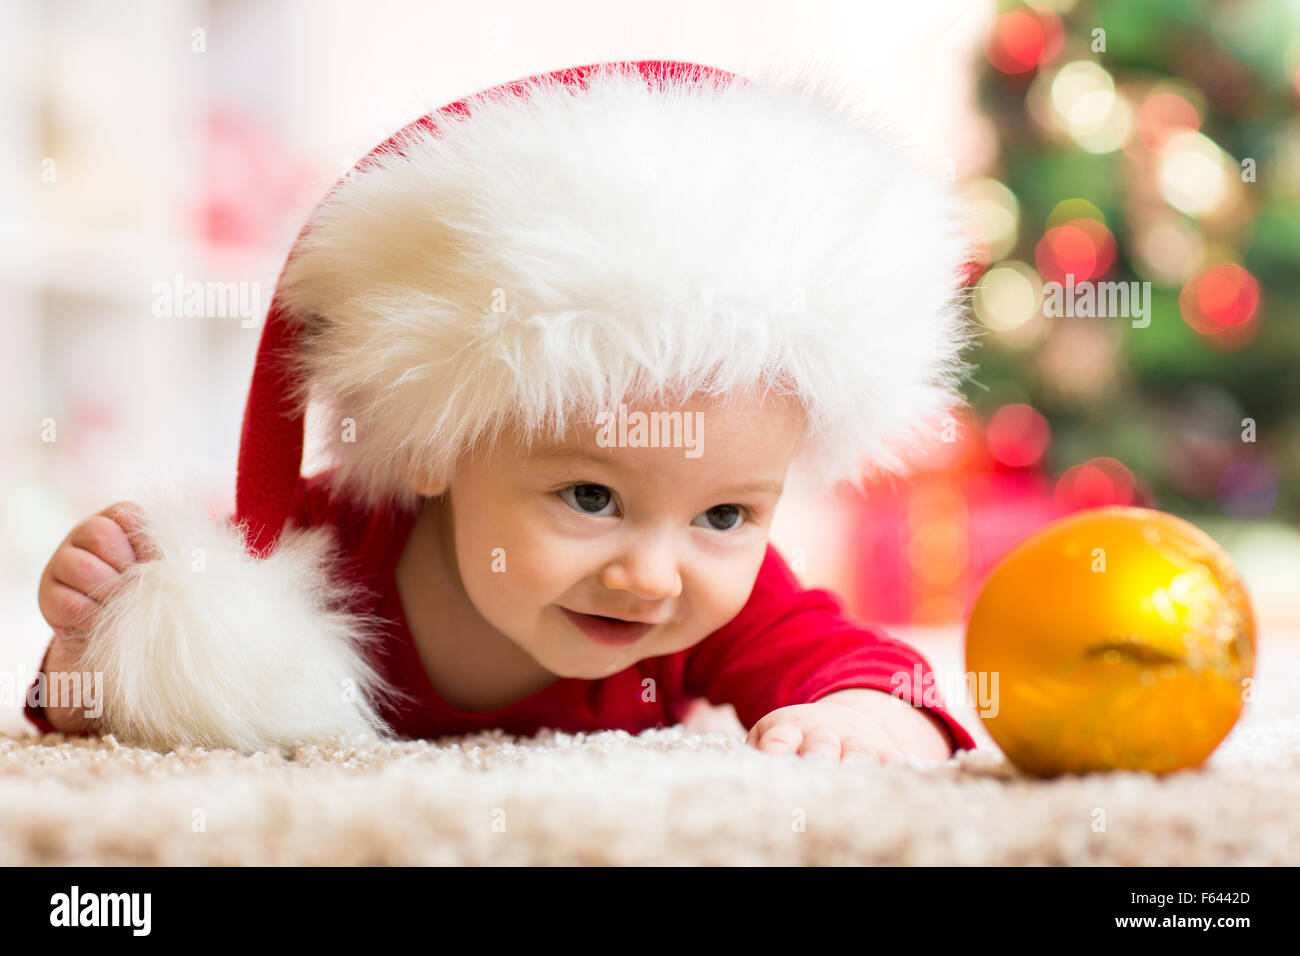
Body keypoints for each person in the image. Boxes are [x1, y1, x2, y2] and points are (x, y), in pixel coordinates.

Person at [29, 60, 979, 762]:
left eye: (726, 515)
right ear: (438, 446)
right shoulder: (314, 555)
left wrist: (861, 721)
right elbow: (120, 712)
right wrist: (105, 638)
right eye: (592, 498)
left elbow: (877, 673)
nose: (652, 574)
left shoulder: (723, 605)